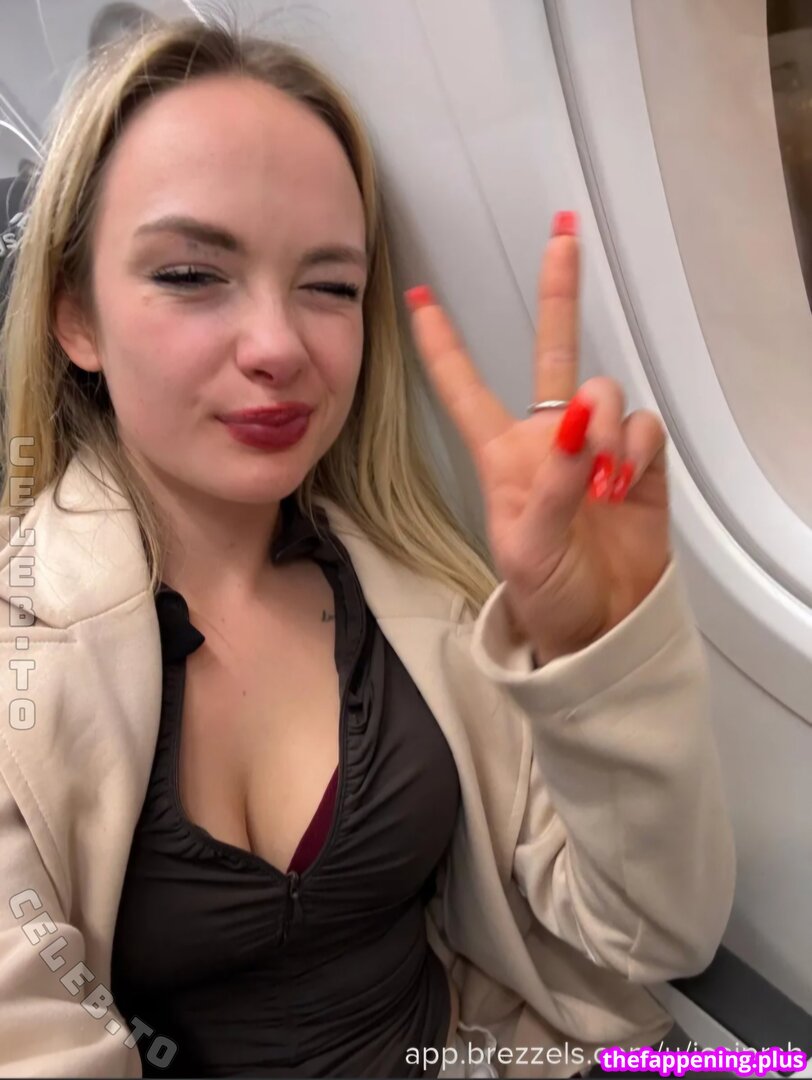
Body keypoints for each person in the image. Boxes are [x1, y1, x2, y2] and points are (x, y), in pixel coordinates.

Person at [0, 14, 735, 1080]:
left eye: (330, 286)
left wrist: (598, 654)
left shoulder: (423, 602)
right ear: (76, 318)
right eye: (192, 274)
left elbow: (652, 938)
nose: (278, 346)